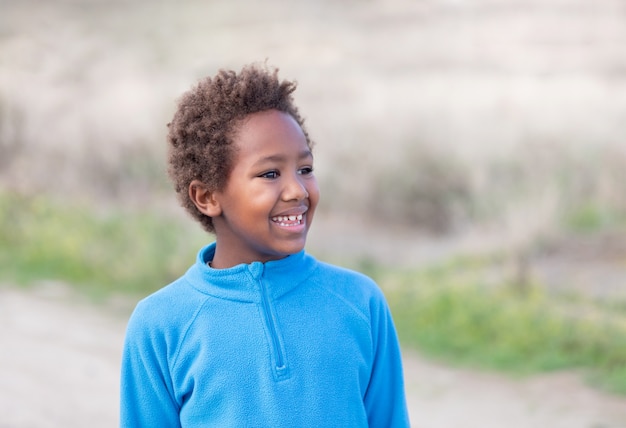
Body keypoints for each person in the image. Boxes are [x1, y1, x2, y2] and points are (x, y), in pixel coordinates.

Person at [120, 64, 410, 427]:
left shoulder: (360, 302)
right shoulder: (160, 325)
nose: (297, 190)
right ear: (207, 196)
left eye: (305, 169)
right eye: (270, 174)